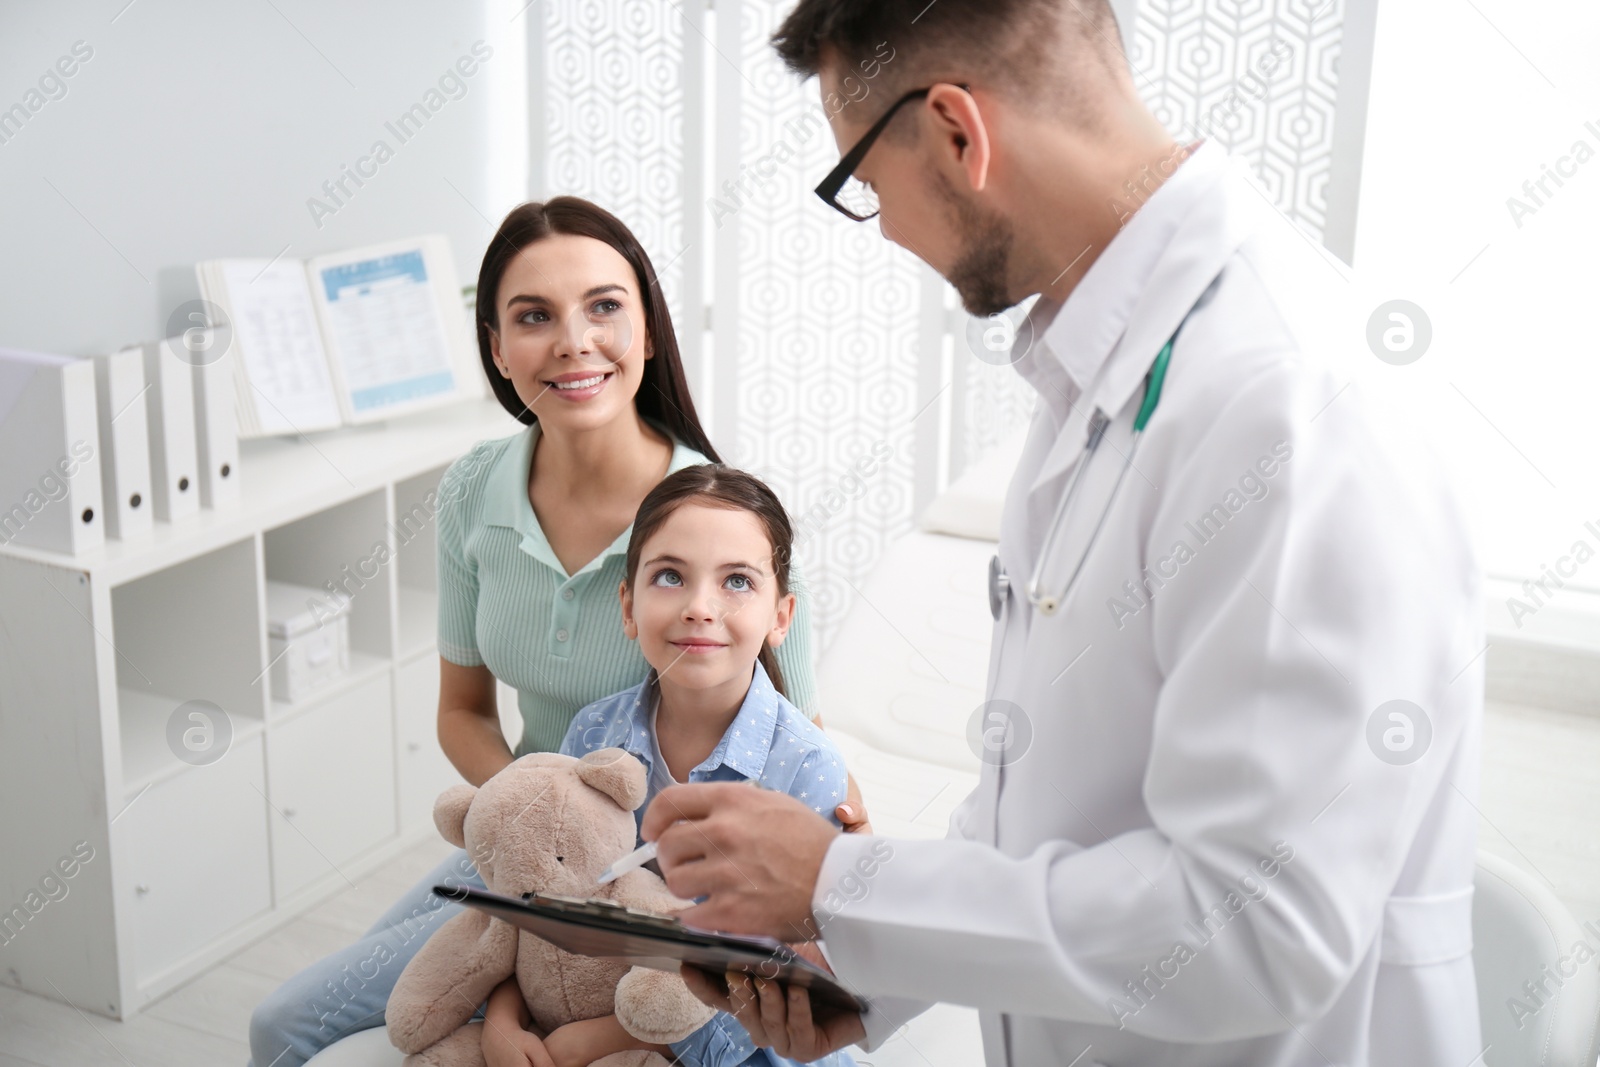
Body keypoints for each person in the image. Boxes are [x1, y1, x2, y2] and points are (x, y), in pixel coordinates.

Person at [638, 2, 1485, 1066]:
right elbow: (1044, 812)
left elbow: (1261, 924)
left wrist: (835, 877)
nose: (885, 223)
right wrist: (857, 963)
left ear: (956, 131)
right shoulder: (1094, 378)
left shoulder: (1289, 404)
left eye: (859, 181)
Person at [247, 197, 870, 1067]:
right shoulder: (473, 490)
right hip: (538, 867)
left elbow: (788, 743)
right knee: (280, 1025)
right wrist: (545, 830)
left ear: (648, 331)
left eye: (605, 306)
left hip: (678, 895)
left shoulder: (718, 531)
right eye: (534, 316)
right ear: (498, 349)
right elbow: (462, 710)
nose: (574, 340)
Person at [480, 462, 860, 1067]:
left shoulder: (807, 769)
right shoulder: (594, 731)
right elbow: (541, 905)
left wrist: (610, 1039)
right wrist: (501, 1018)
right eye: (670, 577)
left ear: (780, 617)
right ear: (628, 607)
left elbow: (782, 985)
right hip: (588, 1008)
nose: (699, 607)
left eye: (737, 581)